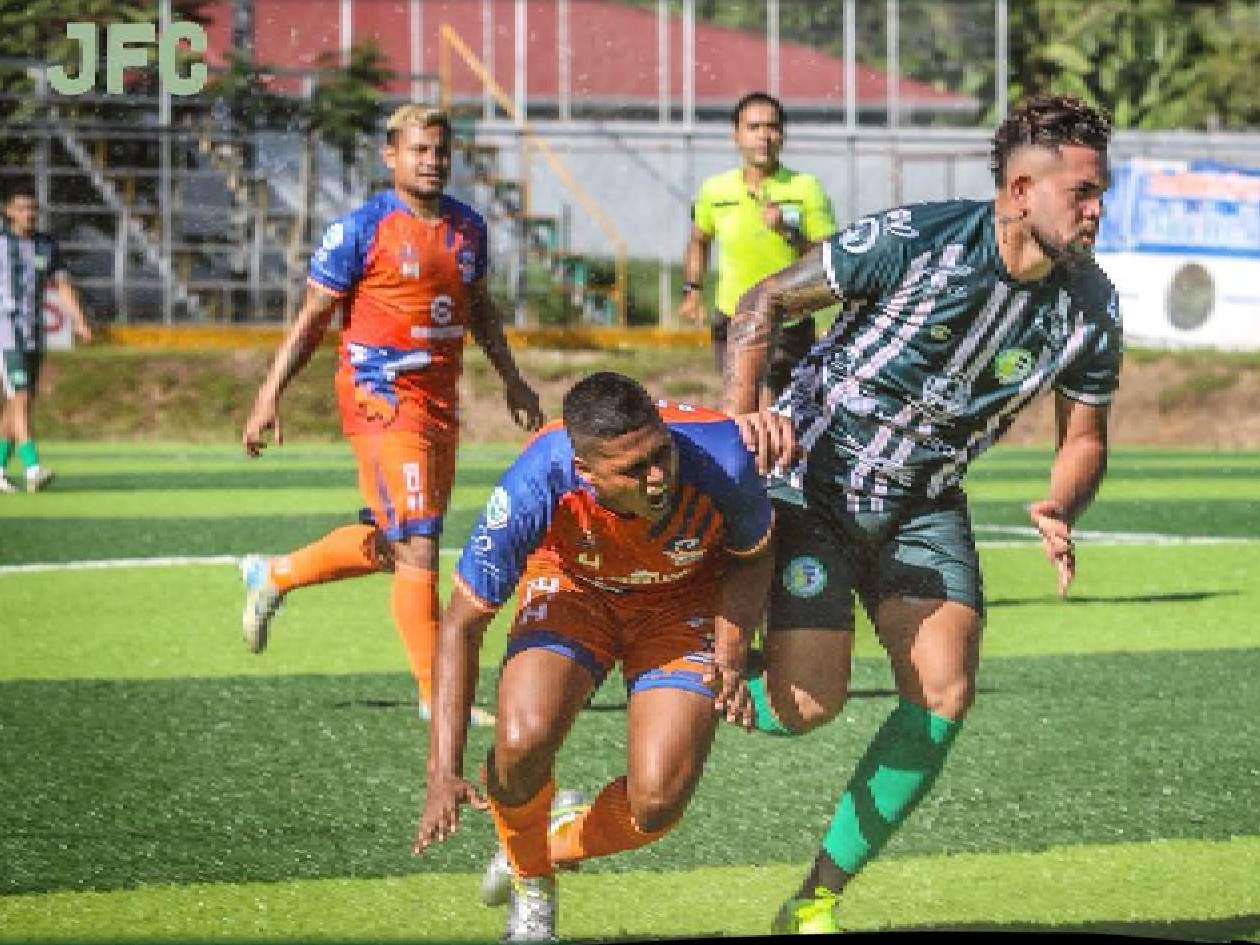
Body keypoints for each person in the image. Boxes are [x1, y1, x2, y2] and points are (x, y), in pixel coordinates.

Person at [722, 94, 1120, 933]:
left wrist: (1062, 500)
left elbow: (1084, 436)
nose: (1095, 211)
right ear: (1020, 191)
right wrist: (743, 417)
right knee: (806, 705)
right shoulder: (916, 239)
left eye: (1100, 193)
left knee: (944, 691)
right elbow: (760, 303)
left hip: (924, 503)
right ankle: (684, 677)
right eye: (1082, 192)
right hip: (814, 482)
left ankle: (813, 899)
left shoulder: (1092, 305)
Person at [414, 371, 773, 942]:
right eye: (633, 470)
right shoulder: (536, 479)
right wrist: (442, 771)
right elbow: (461, 624)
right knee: (521, 741)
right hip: (574, 588)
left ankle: (546, 846)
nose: (657, 477)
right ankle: (532, 884)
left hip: (681, 602)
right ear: (585, 471)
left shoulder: (722, 454)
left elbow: (754, 555)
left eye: (661, 454)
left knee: (657, 803)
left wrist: (730, 654)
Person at [240, 104, 544, 725]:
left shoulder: (467, 228)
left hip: (439, 402)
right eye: (418, 150)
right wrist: (270, 393)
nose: (431, 161)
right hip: (379, 398)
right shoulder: (361, 229)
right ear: (391, 156)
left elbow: (479, 309)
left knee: (395, 544)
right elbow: (312, 319)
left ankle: (275, 574)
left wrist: (512, 379)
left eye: (440, 151)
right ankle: (439, 697)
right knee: (420, 543)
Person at [680, 91, 836, 400]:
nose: (764, 136)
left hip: (787, 318)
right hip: (733, 316)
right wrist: (692, 290)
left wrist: (788, 231)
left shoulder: (805, 188)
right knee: (739, 406)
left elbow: (827, 254)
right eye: (753, 127)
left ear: (782, 135)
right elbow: (699, 240)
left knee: (769, 407)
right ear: (736, 135)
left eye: (772, 127)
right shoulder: (715, 190)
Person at [0, 183, 92, 493]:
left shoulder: (45, 245)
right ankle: (32, 467)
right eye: (22, 208)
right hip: (5, 332)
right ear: (8, 211)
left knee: (18, 402)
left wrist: (79, 320)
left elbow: (62, 285)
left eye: (33, 208)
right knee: (20, 397)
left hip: (34, 333)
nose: (29, 214)